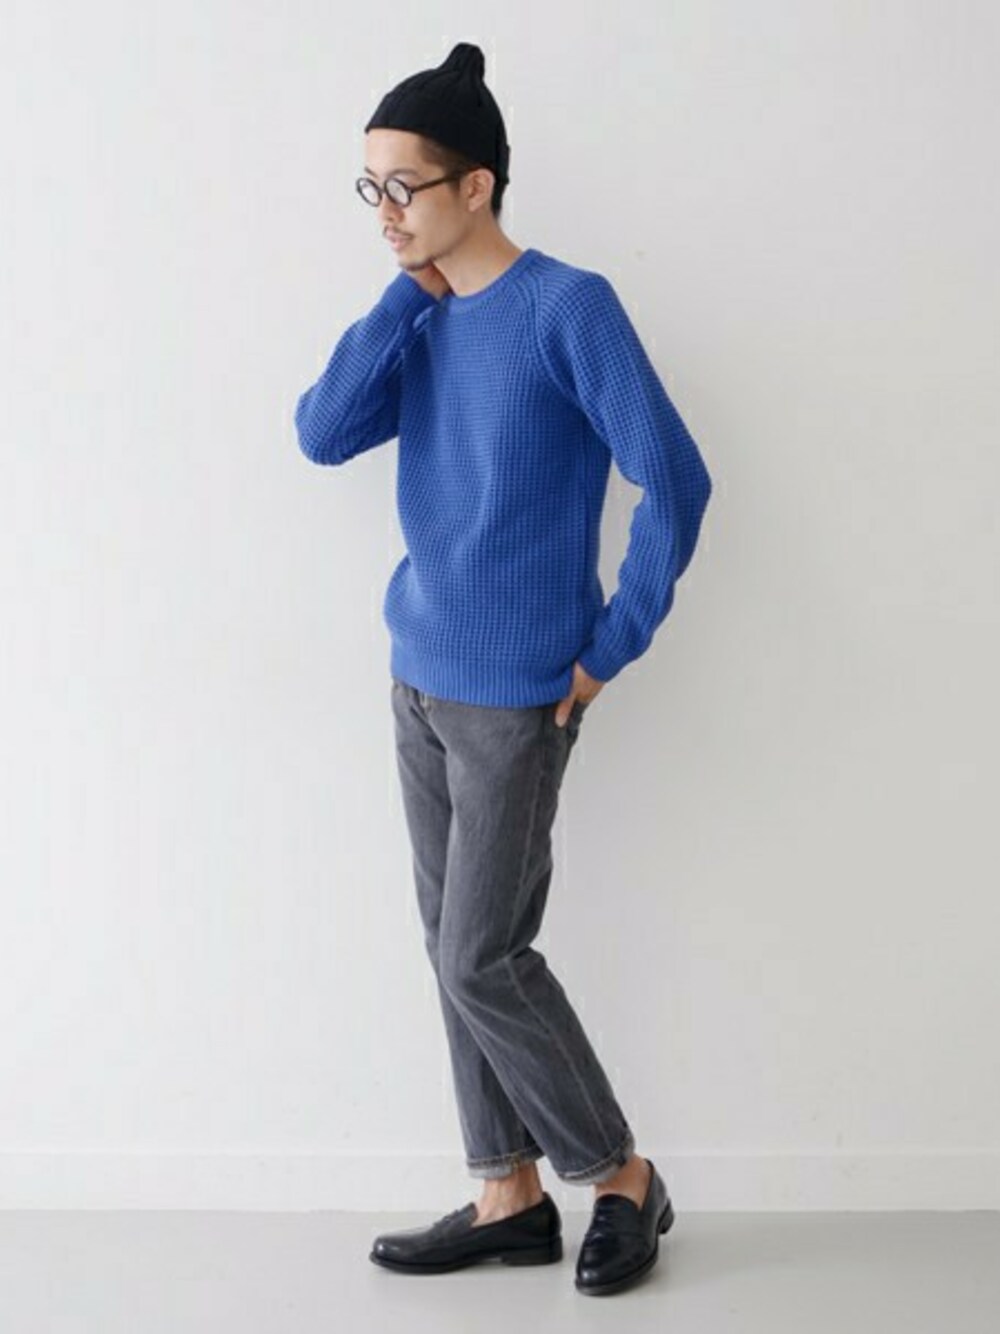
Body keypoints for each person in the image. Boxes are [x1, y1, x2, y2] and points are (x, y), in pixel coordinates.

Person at [294, 41, 712, 1296]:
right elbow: (321, 432)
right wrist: (404, 298)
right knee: (450, 946)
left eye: (405, 187)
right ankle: (506, 1192)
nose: (385, 212)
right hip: (417, 673)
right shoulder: (421, 317)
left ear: (476, 185)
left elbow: (675, 478)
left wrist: (608, 647)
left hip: (522, 691)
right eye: (368, 187)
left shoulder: (567, 306)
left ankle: (619, 1173)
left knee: (483, 953)